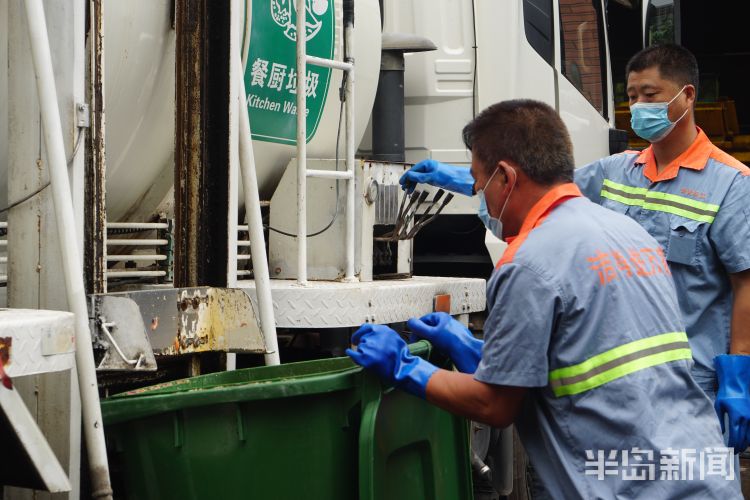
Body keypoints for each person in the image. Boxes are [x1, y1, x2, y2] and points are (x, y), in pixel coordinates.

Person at [349, 99, 740, 498]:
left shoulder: (529, 263)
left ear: (505, 177)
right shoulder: (629, 234)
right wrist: (476, 350)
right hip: (702, 474)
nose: (482, 198)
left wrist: (403, 366)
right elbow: (576, 357)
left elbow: (495, 405)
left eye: (479, 183)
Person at [574, 44, 750, 455]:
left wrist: (739, 377)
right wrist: (470, 181)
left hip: (690, 382)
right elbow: (542, 191)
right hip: (616, 378)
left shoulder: (731, 183)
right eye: (632, 96)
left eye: (650, 95)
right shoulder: (616, 171)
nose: (637, 107)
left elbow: (745, 282)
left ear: (687, 95)